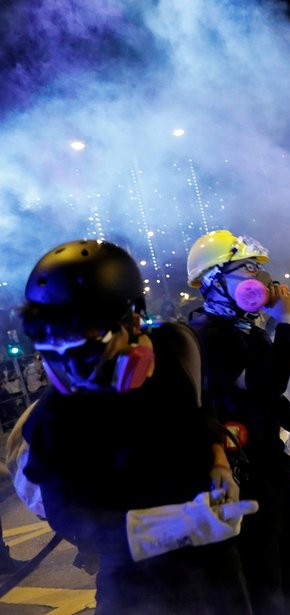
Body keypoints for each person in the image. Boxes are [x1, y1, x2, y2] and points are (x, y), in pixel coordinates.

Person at [18, 239, 257, 614]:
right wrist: (163, 529)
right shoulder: (54, 419)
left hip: (215, 569)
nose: (74, 365)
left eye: (89, 340)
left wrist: (218, 460)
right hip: (132, 584)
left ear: (131, 320)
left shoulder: (176, 346)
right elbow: (68, 517)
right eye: (56, 343)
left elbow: (199, 407)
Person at [186, 229, 290, 615]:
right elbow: (268, 384)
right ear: (213, 281)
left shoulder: (246, 330)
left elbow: (270, 398)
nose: (261, 282)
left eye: (259, 271)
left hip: (273, 471)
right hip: (243, 483)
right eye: (247, 271)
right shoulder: (208, 335)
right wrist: (287, 324)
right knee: (265, 584)